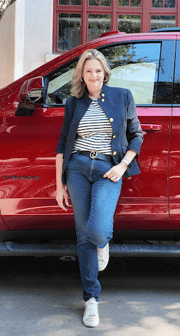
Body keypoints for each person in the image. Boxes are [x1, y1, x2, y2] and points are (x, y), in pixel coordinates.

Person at [55, 48, 143, 328]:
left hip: (109, 169)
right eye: (88, 70)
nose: (93, 75)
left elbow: (136, 134)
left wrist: (123, 165)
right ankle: (91, 299)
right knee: (82, 236)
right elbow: (61, 146)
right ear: (81, 74)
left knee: (97, 231)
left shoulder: (122, 96)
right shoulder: (73, 103)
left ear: (105, 73)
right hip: (78, 169)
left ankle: (102, 243)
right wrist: (59, 185)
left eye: (97, 70)